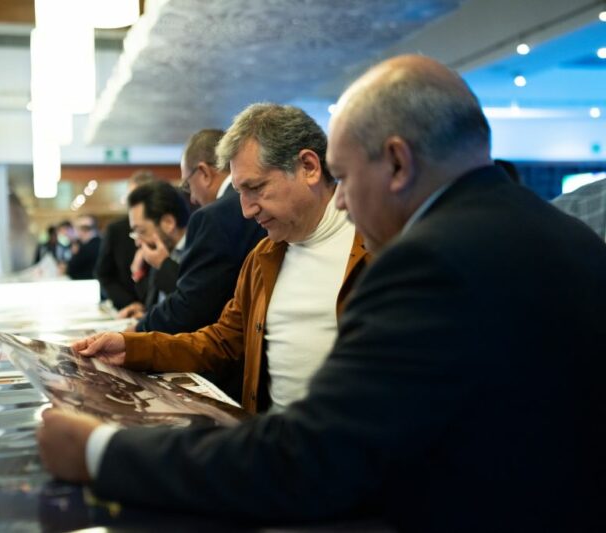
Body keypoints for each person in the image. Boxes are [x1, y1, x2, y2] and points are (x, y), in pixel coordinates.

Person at [37, 55, 606, 531]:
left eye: (347, 177)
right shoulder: (568, 235)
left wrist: (99, 452)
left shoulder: (425, 262)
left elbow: (310, 457)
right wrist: (137, 348)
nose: (343, 200)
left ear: (397, 162)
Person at [72, 103, 367, 415]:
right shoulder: (263, 257)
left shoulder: (375, 244)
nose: (247, 210)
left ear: (308, 167)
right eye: (240, 192)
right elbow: (221, 342)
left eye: (256, 188)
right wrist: (131, 347)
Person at [133, 129, 266, 334]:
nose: (193, 198)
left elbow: (194, 307)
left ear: (204, 173)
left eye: (188, 184)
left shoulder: (213, 216)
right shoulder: (252, 202)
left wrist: (135, 331)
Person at [117, 181, 190, 319]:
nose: (138, 242)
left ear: (168, 223)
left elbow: (192, 305)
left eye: (141, 231)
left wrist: (164, 264)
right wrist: (144, 314)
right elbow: (160, 306)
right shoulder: (162, 251)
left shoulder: (198, 252)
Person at [95, 171, 158, 309]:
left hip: (156, 308)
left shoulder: (162, 229)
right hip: (127, 307)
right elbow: (104, 274)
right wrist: (129, 303)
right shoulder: (116, 230)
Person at [66, 215, 101, 279]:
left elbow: (71, 271)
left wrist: (74, 254)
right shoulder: (100, 242)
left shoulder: (87, 248)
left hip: (87, 282)